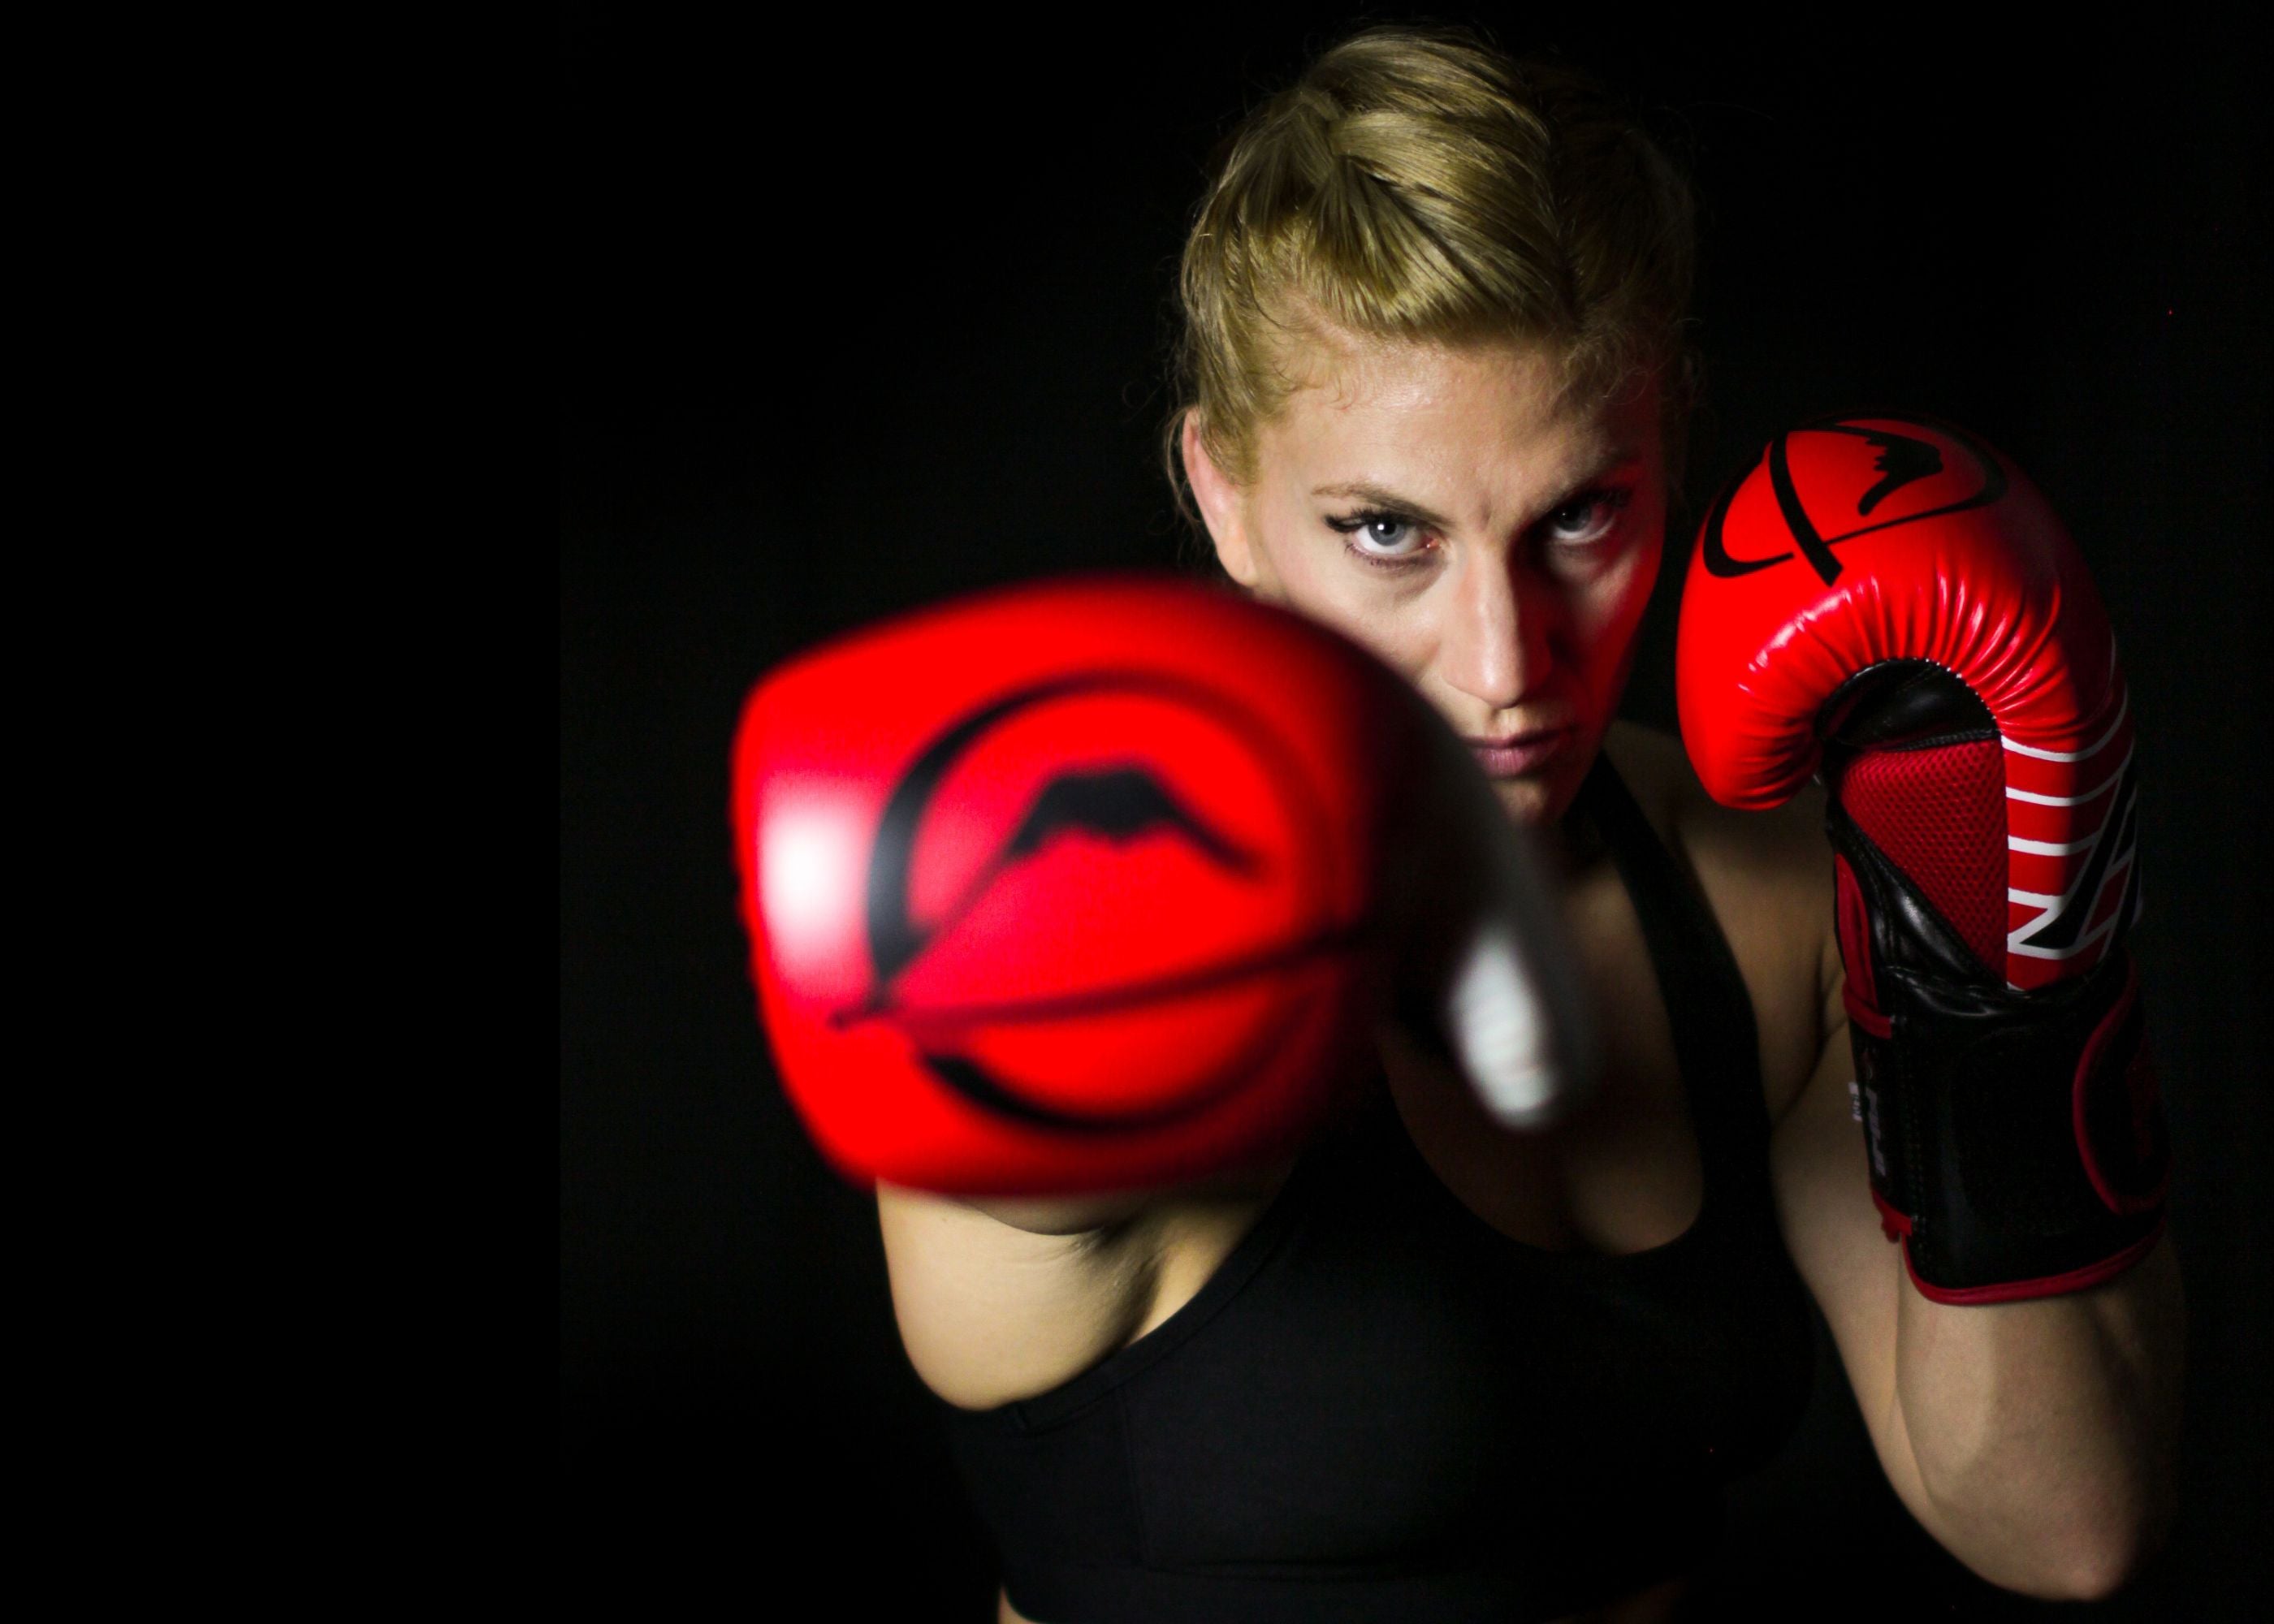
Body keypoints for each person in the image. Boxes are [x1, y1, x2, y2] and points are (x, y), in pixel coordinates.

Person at [733, 24, 2185, 1622]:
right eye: (1384, 532)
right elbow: (1019, 1170)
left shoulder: (1766, 894)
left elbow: (2062, 1528)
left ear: (1669, 453)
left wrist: (2000, 962)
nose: (1506, 667)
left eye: (1578, 516)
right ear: (1221, 495)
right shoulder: (1072, 911)